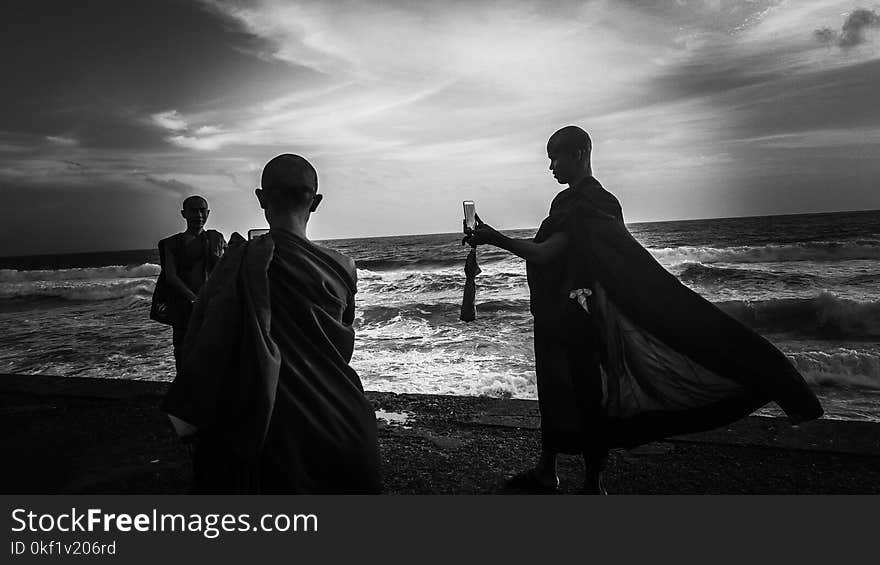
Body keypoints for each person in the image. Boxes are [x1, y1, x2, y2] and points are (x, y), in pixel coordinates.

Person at [465, 126, 823, 494]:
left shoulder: (596, 203)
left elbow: (548, 253)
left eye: (556, 156)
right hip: (559, 315)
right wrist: (496, 239)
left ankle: (593, 482)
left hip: (585, 318)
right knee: (556, 388)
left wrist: (496, 239)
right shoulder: (565, 203)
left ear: (580, 154)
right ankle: (547, 469)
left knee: (590, 395)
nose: (551, 166)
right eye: (549, 158)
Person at [163, 154, 382, 494]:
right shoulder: (343, 267)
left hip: (265, 433)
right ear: (317, 202)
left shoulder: (238, 262)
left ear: (262, 199)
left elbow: (204, 345)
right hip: (345, 428)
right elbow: (338, 349)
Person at [154, 196, 226, 374]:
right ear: (183, 214)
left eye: (202, 211)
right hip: (183, 308)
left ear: (208, 213)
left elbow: (224, 270)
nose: (198, 215)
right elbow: (171, 276)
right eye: (193, 211)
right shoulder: (171, 243)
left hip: (211, 307)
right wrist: (194, 299)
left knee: (213, 353)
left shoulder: (215, 239)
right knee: (184, 352)